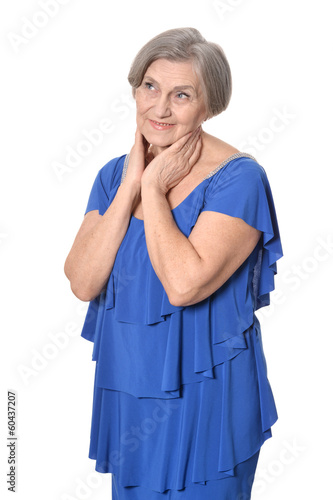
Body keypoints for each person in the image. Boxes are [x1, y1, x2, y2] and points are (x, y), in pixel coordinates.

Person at [64, 27, 283, 500]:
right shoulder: (112, 177)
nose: (159, 109)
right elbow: (82, 281)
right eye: (150, 87)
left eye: (181, 95)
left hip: (208, 398)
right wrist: (131, 184)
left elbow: (183, 285)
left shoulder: (238, 179)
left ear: (209, 105)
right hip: (129, 395)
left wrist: (153, 191)